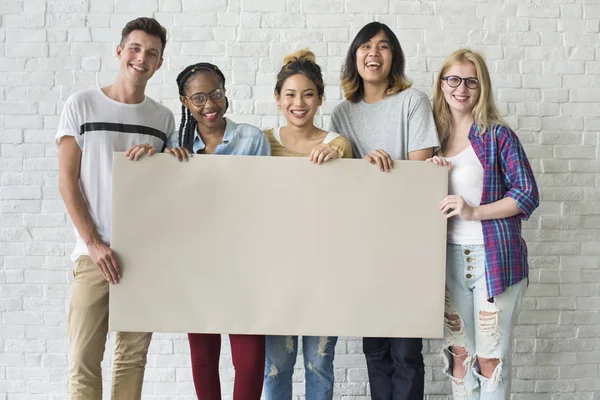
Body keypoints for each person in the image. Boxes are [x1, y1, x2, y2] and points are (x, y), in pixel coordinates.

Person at [56, 17, 174, 400]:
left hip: (145, 257)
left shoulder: (163, 119)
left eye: (152, 53)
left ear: (159, 63)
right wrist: (93, 243)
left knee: (131, 360)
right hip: (93, 255)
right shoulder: (81, 105)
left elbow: (169, 186)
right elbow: (67, 180)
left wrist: (162, 157)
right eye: (136, 49)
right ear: (120, 51)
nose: (142, 58)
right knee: (83, 360)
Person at [330, 21, 439, 400]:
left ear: (394, 57)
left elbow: (421, 177)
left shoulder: (413, 101)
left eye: (383, 46)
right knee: (374, 349)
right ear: (354, 56)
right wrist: (363, 167)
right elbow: (344, 184)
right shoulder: (342, 113)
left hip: (408, 240)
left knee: (406, 352)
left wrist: (384, 164)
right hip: (365, 244)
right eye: (365, 46)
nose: (373, 53)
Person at [427, 48, 539, 400]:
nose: (462, 88)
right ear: (442, 85)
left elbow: (526, 194)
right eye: (454, 79)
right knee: (460, 358)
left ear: (482, 87)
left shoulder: (497, 136)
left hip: (494, 261)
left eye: (471, 81)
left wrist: (473, 211)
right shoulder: (431, 139)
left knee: (490, 361)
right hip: (448, 261)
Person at [171, 61, 270, 400]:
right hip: (196, 265)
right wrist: (156, 160)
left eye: (216, 94)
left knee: (251, 361)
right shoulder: (175, 143)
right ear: (185, 102)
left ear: (225, 93)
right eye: (198, 98)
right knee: (203, 358)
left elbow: (264, 202)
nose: (209, 104)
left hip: (245, 265)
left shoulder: (251, 138)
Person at [262, 49, 352, 400]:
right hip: (277, 273)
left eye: (308, 94)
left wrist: (338, 156)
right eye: (290, 94)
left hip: (325, 273)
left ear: (320, 100)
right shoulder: (262, 141)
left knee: (319, 366)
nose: (299, 103)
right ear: (277, 98)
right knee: (276, 369)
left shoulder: (337, 143)